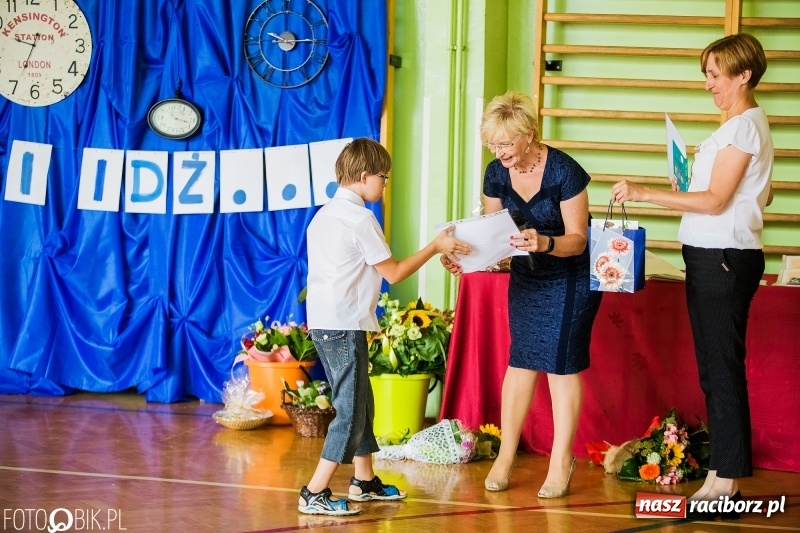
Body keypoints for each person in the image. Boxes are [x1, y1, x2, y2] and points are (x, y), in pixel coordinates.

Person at [612, 33, 773, 517]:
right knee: (714, 367)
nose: (709, 83)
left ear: (744, 74)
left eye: (716, 73)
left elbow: (717, 202)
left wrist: (644, 192)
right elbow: (760, 197)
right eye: (706, 73)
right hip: (715, 254)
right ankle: (724, 473)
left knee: (721, 368)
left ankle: (725, 479)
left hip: (723, 257)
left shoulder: (743, 127)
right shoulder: (738, 128)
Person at [442, 90, 602, 498]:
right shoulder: (495, 173)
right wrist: (469, 257)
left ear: (528, 134)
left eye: (506, 143)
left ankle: (560, 461)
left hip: (569, 277)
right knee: (522, 361)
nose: (499, 152)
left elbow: (579, 240)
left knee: (562, 366)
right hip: (527, 277)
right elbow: (494, 234)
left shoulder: (566, 172)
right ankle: (506, 456)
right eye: (492, 144)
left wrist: (543, 243)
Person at [300, 138, 472, 516]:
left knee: (362, 403)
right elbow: (392, 272)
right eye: (384, 177)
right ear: (365, 176)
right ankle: (314, 491)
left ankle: (363, 480)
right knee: (349, 410)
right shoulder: (361, 218)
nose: (385, 184)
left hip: (328, 323)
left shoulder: (324, 215)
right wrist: (436, 246)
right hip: (344, 326)